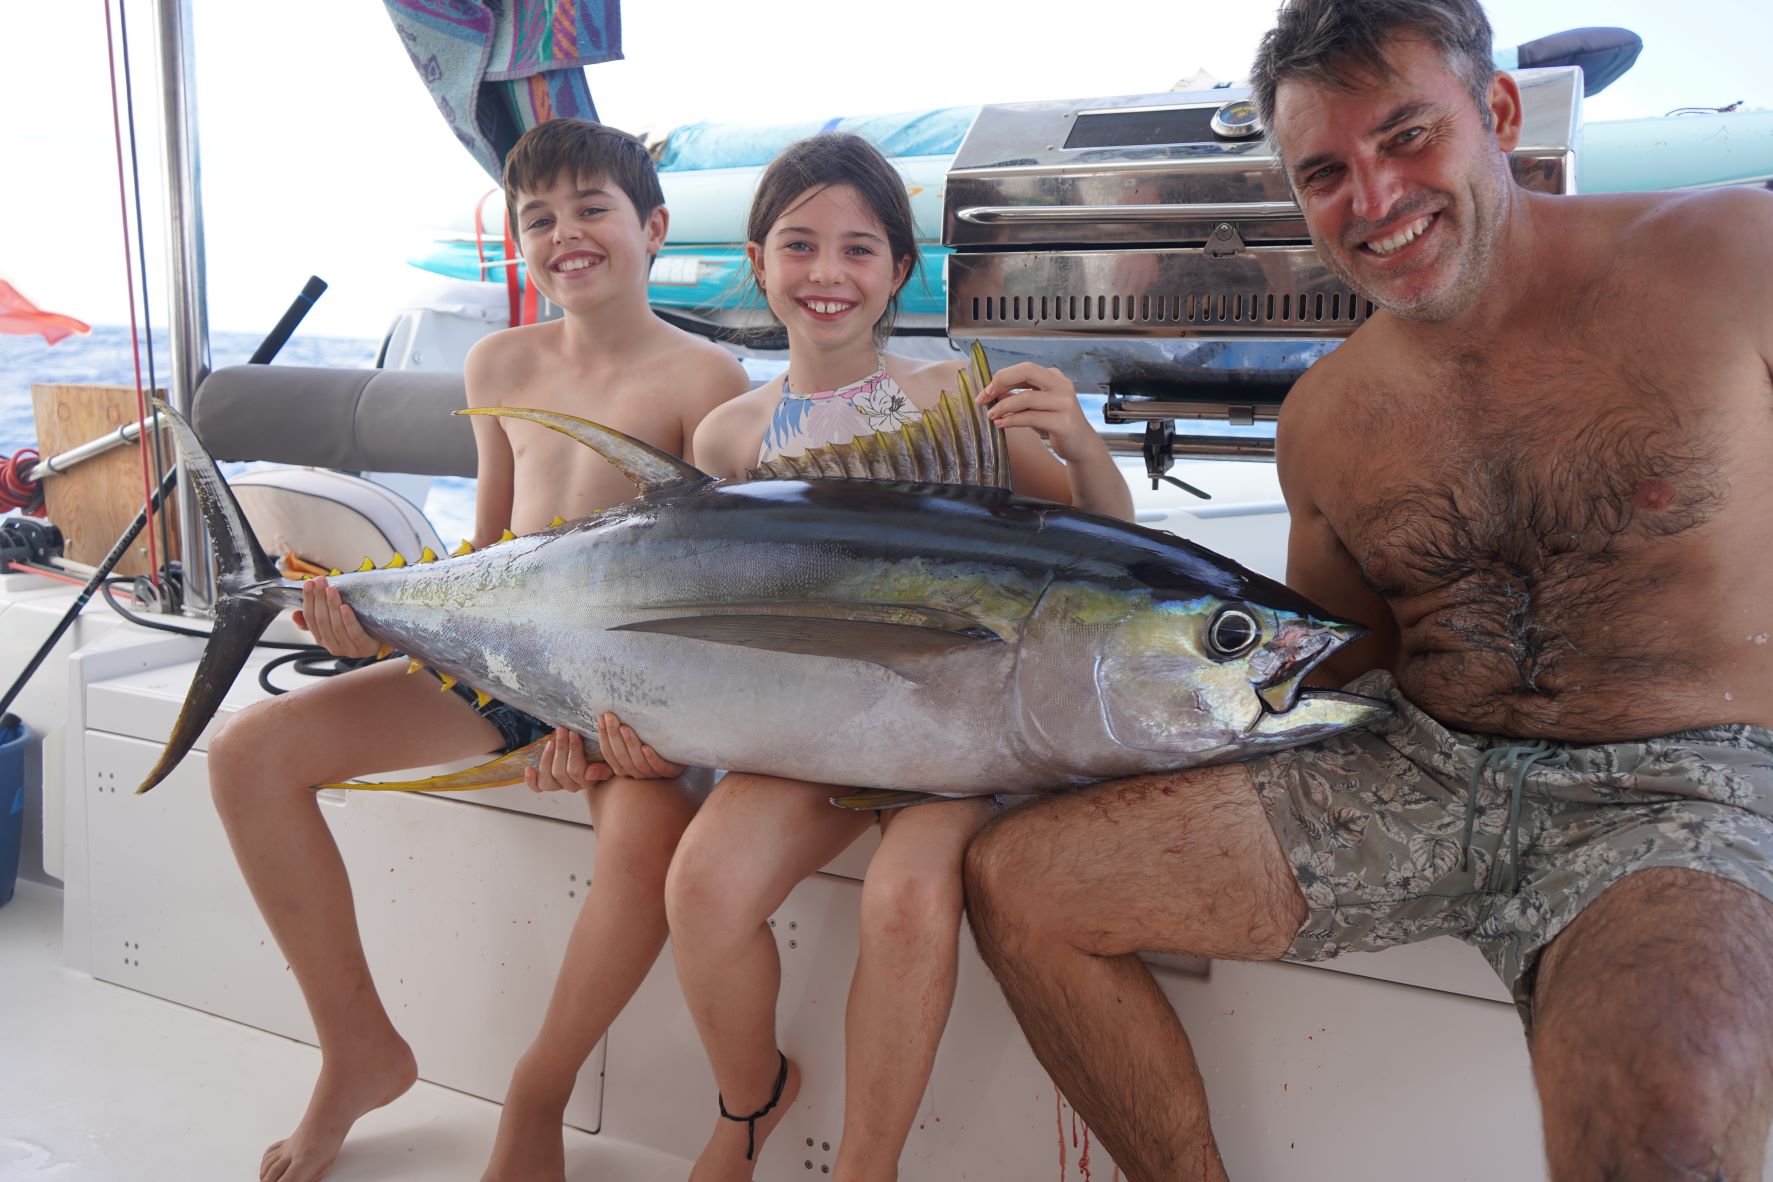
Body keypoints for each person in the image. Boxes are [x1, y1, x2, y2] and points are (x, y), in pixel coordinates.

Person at [962, 2, 1773, 1179]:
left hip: (1680, 786)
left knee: (1662, 1125)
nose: (1375, 199)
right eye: (1326, 172)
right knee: (1020, 883)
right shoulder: (1324, 419)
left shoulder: (1732, 256)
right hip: (1416, 771)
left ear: (1499, 112)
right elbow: (1333, 667)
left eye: (1407, 137)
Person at [205, 118, 750, 1182]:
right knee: (248, 753)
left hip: (631, 697)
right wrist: (372, 622)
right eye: (538, 219)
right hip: (496, 666)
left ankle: (537, 1094)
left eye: (592, 209)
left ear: (654, 227)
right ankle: (358, 1052)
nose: (565, 234)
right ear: (517, 243)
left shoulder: (707, 379)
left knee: (650, 846)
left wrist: (607, 739)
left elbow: (711, 593)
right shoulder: (497, 360)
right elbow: (487, 552)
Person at [654, 132, 1134, 1182]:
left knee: (908, 898)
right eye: (799, 244)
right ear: (757, 260)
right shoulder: (728, 436)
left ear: (899, 270)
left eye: (859, 248)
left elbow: (1101, 554)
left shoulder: (961, 398)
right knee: (702, 887)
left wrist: (1083, 444)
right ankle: (749, 1101)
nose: (826, 272)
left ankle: (866, 1168)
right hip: (807, 730)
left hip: (955, 733)